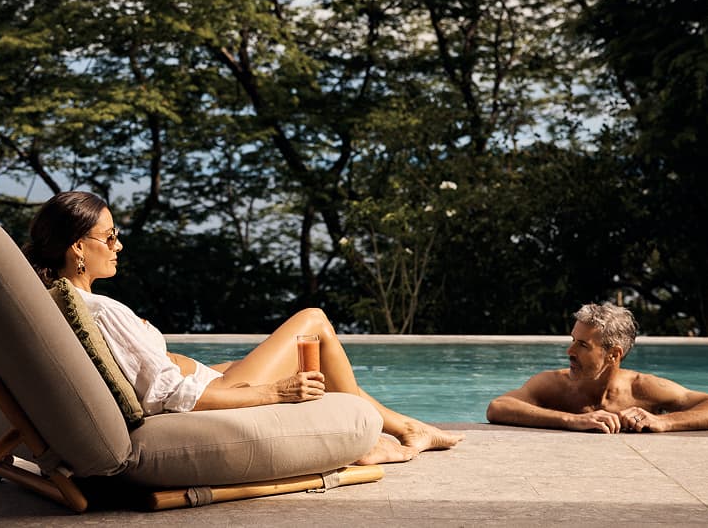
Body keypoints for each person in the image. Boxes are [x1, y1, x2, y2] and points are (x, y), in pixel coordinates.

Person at [23, 190, 463, 464]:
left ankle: (404, 425)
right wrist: (273, 393)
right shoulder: (100, 310)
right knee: (313, 321)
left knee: (266, 360)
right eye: (110, 236)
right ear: (78, 247)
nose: (120, 244)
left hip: (208, 379)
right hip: (202, 396)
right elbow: (171, 395)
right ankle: (374, 436)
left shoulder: (60, 300)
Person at [486, 303, 708, 433]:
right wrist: (572, 420)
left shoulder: (642, 388)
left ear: (613, 354)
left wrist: (664, 422)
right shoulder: (554, 385)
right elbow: (498, 407)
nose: (570, 352)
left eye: (583, 345)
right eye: (572, 341)